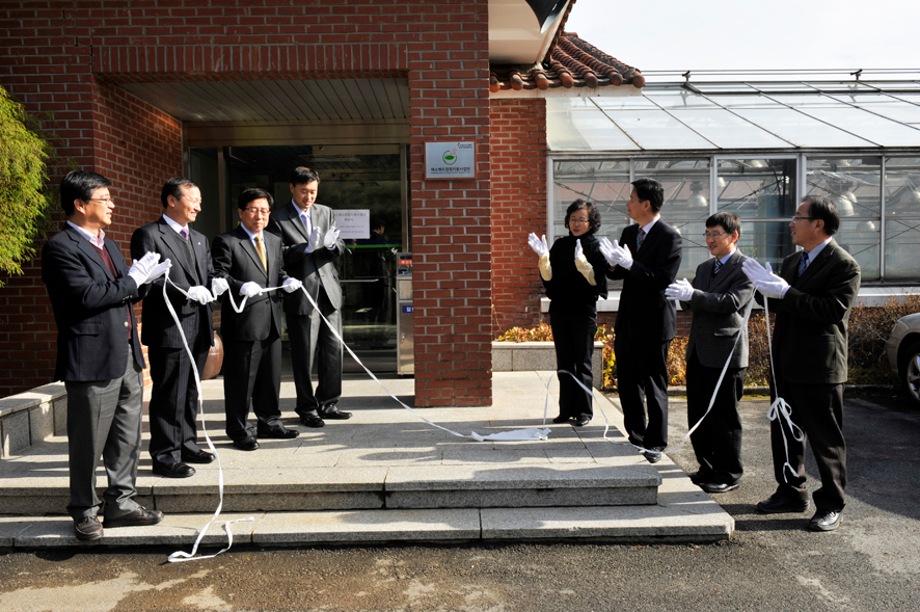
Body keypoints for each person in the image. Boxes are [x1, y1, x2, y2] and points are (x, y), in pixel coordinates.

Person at [41, 170, 167, 541]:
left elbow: (120, 293)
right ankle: (84, 509)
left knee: (127, 438)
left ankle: (122, 502)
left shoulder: (108, 244)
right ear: (80, 205)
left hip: (126, 354)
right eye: (105, 199)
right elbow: (87, 297)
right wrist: (131, 281)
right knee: (88, 442)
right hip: (92, 358)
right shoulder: (61, 247)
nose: (113, 204)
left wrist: (144, 282)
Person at [742, 195, 861, 532]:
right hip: (786, 361)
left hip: (820, 366)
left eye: (798, 217)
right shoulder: (795, 261)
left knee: (825, 438)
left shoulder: (844, 265)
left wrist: (785, 293)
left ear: (818, 224)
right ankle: (791, 491)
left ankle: (832, 503)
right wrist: (762, 288)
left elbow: (831, 311)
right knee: (785, 433)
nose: (791, 223)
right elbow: (781, 303)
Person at [131, 177, 217, 478]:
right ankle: (165, 454)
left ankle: (187, 442)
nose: (198, 205)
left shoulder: (200, 238)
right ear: (171, 200)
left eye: (200, 200)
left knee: (191, 388)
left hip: (198, 325)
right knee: (169, 392)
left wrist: (214, 284)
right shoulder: (149, 235)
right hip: (170, 327)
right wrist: (186, 291)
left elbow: (208, 273)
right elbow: (147, 281)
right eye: (193, 198)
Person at [665, 212, 754, 492]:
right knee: (699, 413)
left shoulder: (746, 268)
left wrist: (695, 296)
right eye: (707, 234)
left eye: (716, 234)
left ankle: (729, 473)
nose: (710, 239)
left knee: (724, 416)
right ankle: (707, 467)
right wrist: (685, 297)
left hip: (726, 352)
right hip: (699, 351)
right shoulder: (705, 268)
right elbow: (696, 302)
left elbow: (731, 302)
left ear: (733, 236)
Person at [211, 188, 303, 450]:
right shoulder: (227, 241)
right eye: (253, 210)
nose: (259, 215)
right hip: (244, 322)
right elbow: (218, 274)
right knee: (241, 381)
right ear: (241, 212)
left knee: (270, 377)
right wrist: (240, 285)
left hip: (272, 319)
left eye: (264, 210)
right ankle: (239, 430)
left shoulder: (274, 240)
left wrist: (286, 281)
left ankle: (270, 422)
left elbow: (279, 271)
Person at [599, 178, 682, 463]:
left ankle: (655, 442)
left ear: (646, 204)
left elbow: (661, 279)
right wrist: (611, 263)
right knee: (628, 381)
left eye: (632, 199)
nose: (628, 204)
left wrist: (632, 264)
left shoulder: (669, 236)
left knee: (653, 383)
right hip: (628, 321)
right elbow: (618, 275)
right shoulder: (629, 232)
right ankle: (635, 434)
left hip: (655, 323)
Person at [267, 166, 350, 428]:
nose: (309, 197)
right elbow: (276, 254)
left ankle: (329, 401)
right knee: (305, 353)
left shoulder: (324, 212)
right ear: (292, 188)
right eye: (304, 191)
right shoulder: (278, 218)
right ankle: (306, 406)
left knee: (333, 349)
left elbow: (340, 244)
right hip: (302, 291)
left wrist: (331, 245)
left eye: (313, 191)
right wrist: (307, 247)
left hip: (329, 290)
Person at [528, 199, 609, 426]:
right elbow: (549, 281)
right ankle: (566, 409)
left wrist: (585, 267)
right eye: (573, 219)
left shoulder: (596, 247)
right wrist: (544, 261)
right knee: (564, 362)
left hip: (583, 312)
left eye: (581, 219)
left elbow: (598, 283)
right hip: (561, 311)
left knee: (582, 362)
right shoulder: (561, 245)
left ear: (591, 222)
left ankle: (584, 410)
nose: (576, 223)